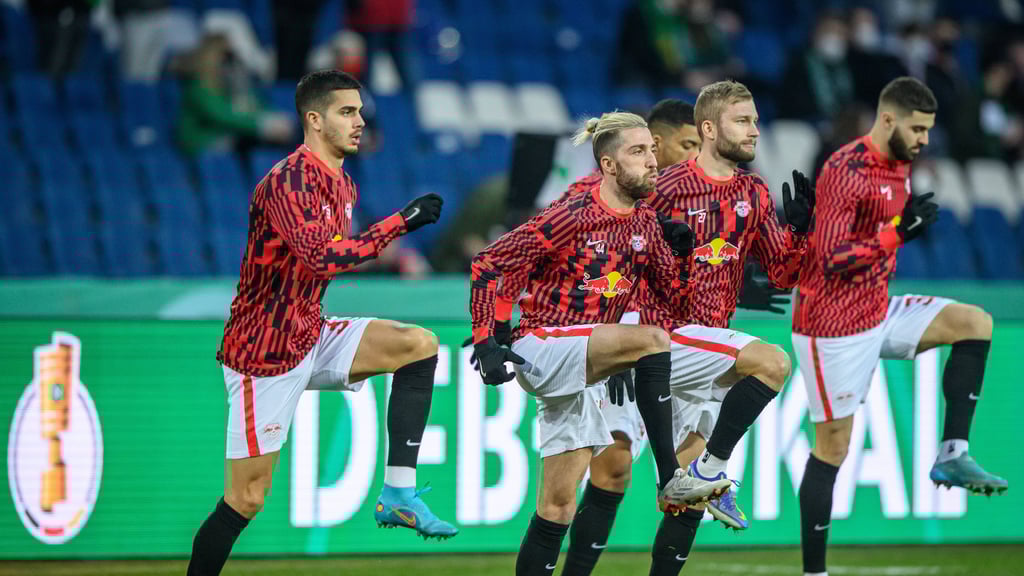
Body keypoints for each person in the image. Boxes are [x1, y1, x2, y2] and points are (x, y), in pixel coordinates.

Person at [186, 70, 454, 576]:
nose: (358, 122)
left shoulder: (344, 183)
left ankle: (398, 492)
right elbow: (318, 257)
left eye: (359, 112)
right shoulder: (287, 180)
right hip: (262, 352)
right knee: (246, 498)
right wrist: (398, 224)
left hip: (311, 329)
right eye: (346, 112)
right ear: (314, 119)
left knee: (418, 344)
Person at [469, 111, 732, 576]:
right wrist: (488, 337)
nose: (653, 161)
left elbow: (676, 304)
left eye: (652, 150)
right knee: (651, 341)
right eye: (638, 152)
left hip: (585, 359)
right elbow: (489, 262)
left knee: (558, 505)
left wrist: (685, 255)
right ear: (608, 165)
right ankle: (672, 477)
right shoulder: (572, 212)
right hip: (544, 343)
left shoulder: (646, 223)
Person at [793, 76, 1008, 576]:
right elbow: (827, 259)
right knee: (833, 448)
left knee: (974, 322)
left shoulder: (900, 165)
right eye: (917, 128)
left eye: (928, 130)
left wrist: (896, 230)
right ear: (887, 119)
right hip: (831, 325)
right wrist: (895, 234)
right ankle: (813, 572)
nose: (925, 140)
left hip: (877, 307)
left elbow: (878, 238)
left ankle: (953, 453)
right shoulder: (845, 169)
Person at [641, 79, 815, 575]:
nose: (755, 130)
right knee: (772, 361)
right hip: (665, 337)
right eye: (744, 120)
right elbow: (619, 259)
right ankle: (713, 467)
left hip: (711, 344)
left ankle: (702, 476)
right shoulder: (667, 188)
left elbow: (782, 271)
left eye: (756, 120)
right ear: (710, 128)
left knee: (685, 502)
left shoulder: (753, 190)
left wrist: (802, 230)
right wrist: (613, 339)